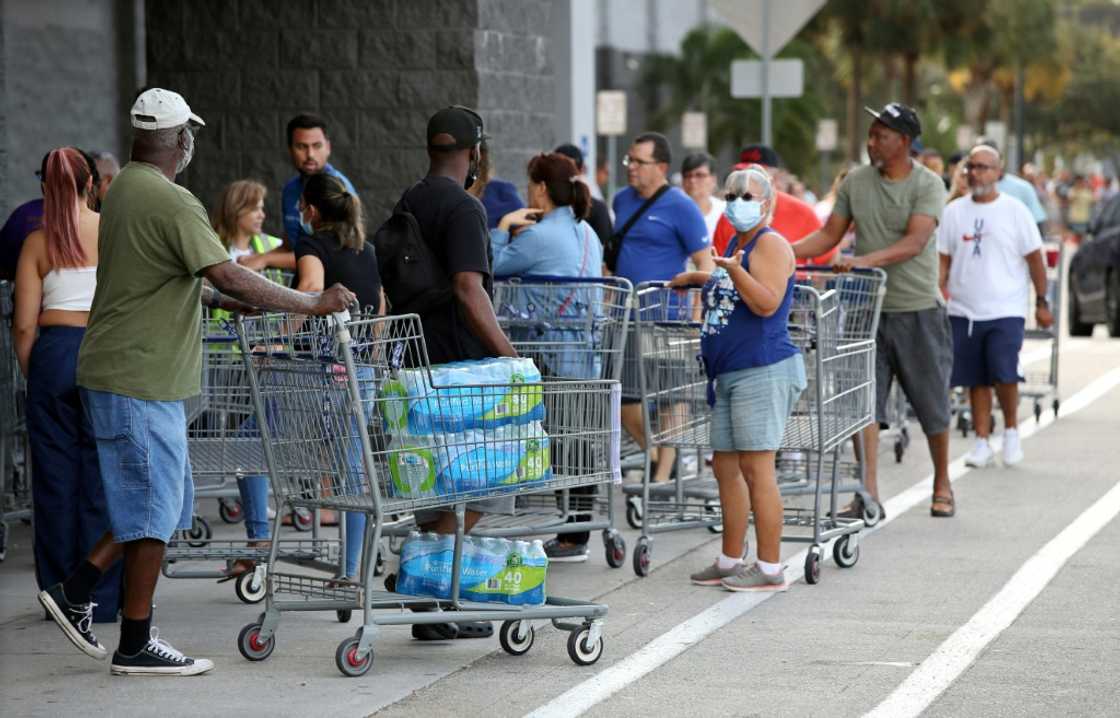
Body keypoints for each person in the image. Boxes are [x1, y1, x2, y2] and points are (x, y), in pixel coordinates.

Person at [37, 87, 356, 677]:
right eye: (190, 135)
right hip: (140, 377)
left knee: (167, 500)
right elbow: (231, 271)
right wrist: (313, 301)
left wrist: (212, 299)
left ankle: (77, 587)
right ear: (179, 140)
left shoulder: (125, 187)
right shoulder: (172, 200)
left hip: (131, 371)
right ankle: (135, 642)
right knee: (154, 506)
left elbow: (158, 276)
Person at [388, 105, 517, 640]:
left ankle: (435, 602)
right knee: (486, 481)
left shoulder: (409, 200)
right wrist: (511, 358)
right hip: (463, 368)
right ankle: (427, 585)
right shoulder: (464, 208)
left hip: (418, 362)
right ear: (475, 153)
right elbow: (470, 290)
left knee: (440, 483)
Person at [792, 102, 951, 518]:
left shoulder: (928, 184)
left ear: (903, 142)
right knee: (863, 403)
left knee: (932, 403)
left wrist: (862, 260)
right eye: (871, 133)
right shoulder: (856, 182)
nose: (871, 140)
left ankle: (942, 482)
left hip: (916, 308)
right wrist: (780, 252)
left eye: (881, 134)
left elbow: (915, 242)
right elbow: (829, 234)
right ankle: (868, 492)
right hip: (866, 311)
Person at [674, 166, 806, 591]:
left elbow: (767, 303)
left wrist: (733, 270)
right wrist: (701, 277)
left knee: (756, 468)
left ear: (767, 203)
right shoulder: (737, 243)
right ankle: (731, 558)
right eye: (731, 195)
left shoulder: (769, 244)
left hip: (761, 369)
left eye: (747, 197)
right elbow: (730, 287)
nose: (736, 203)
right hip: (731, 372)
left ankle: (769, 569)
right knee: (726, 467)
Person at [13, 147, 123, 624]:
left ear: (45, 189)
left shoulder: (37, 242)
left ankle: (58, 596)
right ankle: (101, 597)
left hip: (53, 354)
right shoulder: (113, 232)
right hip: (105, 349)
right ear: (93, 184)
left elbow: (23, 327)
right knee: (105, 475)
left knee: (55, 480)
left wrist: (32, 370)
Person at [490, 151, 603, 562]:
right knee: (577, 436)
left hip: (552, 350)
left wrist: (503, 227)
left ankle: (574, 534)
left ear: (539, 188)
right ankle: (579, 526)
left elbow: (491, 264)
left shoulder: (537, 236)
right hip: (585, 351)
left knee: (561, 437)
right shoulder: (587, 231)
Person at [938, 144, 1053, 469]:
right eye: (971, 167)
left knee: (1003, 372)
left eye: (983, 167)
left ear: (998, 173)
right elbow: (943, 260)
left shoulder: (1015, 211)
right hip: (963, 310)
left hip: (1006, 309)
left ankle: (1012, 431)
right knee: (975, 379)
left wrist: (1042, 302)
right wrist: (937, 294)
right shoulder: (954, 212)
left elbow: (1035, 259)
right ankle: (981, 441)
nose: (975, 173)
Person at [293, 172, 383, 584]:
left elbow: (311, 288)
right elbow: (380, 308)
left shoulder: (312, 244)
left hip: (319, 370)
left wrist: (276, 340)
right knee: (352, 468)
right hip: (360, 368)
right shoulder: (366, 250)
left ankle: (258, 536)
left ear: (311, 210)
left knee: (252, 438)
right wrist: (373, 359)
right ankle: (351, 572)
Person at [612, 131, 713, 484]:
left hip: (669, 320)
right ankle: (655, 457)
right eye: (630, 160)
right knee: (624, 401)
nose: (631, 168)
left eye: (639, 162)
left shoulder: (681, 206)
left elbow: (706, 262)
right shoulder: (622, 200)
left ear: (662, 167)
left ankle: (662, 479)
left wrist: (699, 316)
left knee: (673, 398)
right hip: (626, 317)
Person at [207, 179, 284, 576]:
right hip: (228, 360)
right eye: (253, 208)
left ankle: (258, 528)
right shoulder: (214, 250)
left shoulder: (270, 249)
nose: (261, 215)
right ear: (236, 210)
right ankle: (256, 520)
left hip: (265, 360)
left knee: (251, 440)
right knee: (242, 436)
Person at [236, 114, 357, 273]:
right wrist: (254, 259)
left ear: (328, 147)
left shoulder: (338, 188)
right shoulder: (290, 190)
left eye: (317, 146)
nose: (310, 154)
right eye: (301, 146)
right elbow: (290, 244)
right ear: (290, 149)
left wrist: (265, 259)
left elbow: (331, 253)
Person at [710, 145, 834, 264]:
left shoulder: (803, 213)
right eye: (742, 174)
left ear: (774, 179)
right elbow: (718, 265)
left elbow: (827, 258)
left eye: (756, 175)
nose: (747, 179)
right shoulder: (730, 215)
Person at [554, 142, 613, 248]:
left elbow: (604, 251)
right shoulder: (543, 207)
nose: (563, 177)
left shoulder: (597, 209)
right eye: (558, 170)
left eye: (569, 170)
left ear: (581, 171)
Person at [680, 152, 725, 241]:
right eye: (687, 176)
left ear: (713, 179)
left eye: (699, 175)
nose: (692, 180)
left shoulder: (724, 212)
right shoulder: (672, 211)